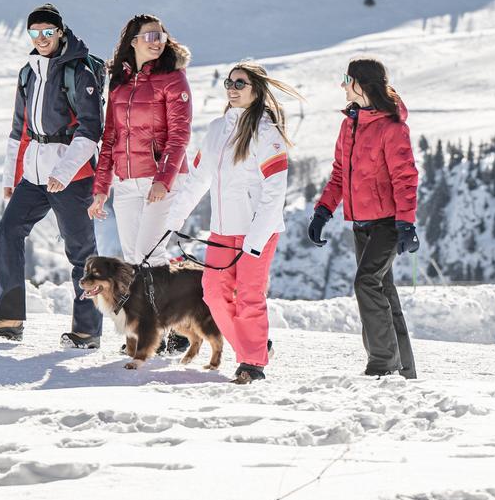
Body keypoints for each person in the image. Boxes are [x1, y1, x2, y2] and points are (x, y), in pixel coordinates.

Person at [0, 3, 106, 347]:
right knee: (8, 233)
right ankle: (9, 318)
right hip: (33, 174)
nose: (42, 38)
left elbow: (91, 129)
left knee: (81, 253)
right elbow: (19, 129)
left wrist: (64, 171)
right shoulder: (28, 72)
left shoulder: (78, 72)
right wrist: (9, 177)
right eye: (36, 32)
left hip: (71, 175)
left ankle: (87, 330)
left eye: (48, 31)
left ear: (60, 32)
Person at [166, 62, 297, 384]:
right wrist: (173, 218)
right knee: (212, 294)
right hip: (223, 230)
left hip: (258, 230)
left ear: (257, 91)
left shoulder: (268, 133)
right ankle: (255, 346)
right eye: (230, 82)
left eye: (240, 83)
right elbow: (197, 179)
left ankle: (252, 363)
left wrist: (256, 237)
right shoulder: (216, 130)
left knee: (249, 296)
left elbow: (274, 191)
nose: (232, 88)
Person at [307, 58, 421, 378]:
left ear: (361, 83)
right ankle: (405, 369)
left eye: (347, 78)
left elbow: (405, 177)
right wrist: (323, 211)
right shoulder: (350, 124)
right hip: (361, 224)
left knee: (366, 283)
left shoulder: (392, 126)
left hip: (387, 223)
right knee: (383, 291)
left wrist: (406, 223)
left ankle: (382, 363)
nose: (342, 85)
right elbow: (340, 174)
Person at [89, 14, 191, 263]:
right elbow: (110, 137)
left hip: (160, 178)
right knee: (133, 259)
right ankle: (146, 304)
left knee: (150, 254)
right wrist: (101, 188)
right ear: (133, 41)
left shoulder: (173, 78)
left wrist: (163, 180)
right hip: (126, 184)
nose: (158, 42)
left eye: (162, 37)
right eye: (151, 36)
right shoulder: (119, 81)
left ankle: (166, 302)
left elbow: (180, 134)